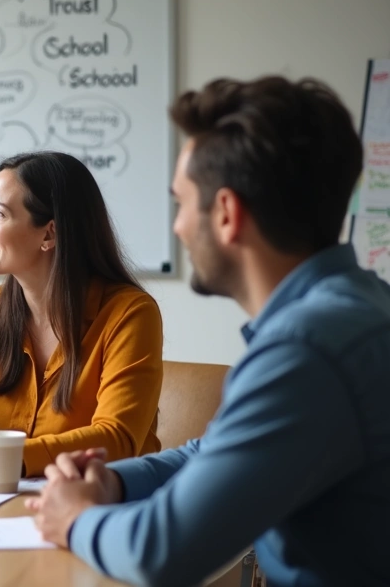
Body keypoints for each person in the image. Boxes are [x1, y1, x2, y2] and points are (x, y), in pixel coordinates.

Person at [29, 76, 390, 586]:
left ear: (226, 214)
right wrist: (111, 480)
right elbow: (214, 451)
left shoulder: (305, 351)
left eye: (181, 203)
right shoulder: (359, 304)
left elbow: (161, 553)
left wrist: (74, 518)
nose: (176, 226)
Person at [0, 152, 163, 477]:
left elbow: (116, 439)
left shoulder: (130, 314)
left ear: (49, 234)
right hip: (1, 501)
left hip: (101, 500)